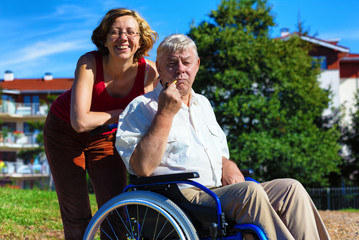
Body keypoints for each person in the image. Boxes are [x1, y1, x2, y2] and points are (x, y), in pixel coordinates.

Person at [115, 34, 331, 240]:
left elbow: (219, 153)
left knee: (291, 189)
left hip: (216, 190)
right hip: (179, 195)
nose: (180, 70)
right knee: (250, 192)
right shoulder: (140, 108)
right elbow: (141, 168)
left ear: (197, 65)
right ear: (159, 67)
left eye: (186, 62)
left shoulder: (204, 104)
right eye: (172, 63)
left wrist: (227, 165)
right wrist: (164, 114)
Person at [43, 8, 158, 239]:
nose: (123, 38)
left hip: (106, 135)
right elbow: (80, 121)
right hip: (63, 131)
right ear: (104, 39)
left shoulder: (150, 72)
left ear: (141, 40)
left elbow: (151, 117)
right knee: (77, 213)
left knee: (115, 210)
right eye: (115, 32)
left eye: (130, 32)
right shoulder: (89, 63)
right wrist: (126, 112)